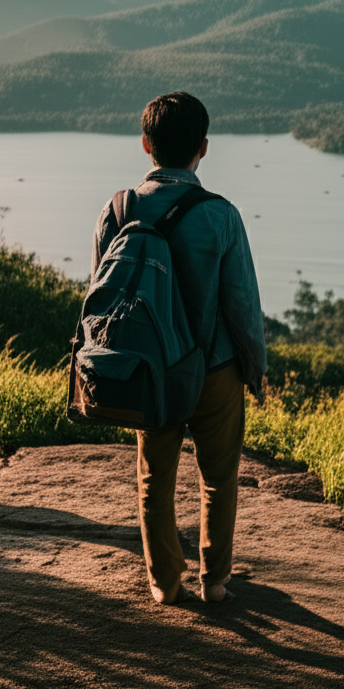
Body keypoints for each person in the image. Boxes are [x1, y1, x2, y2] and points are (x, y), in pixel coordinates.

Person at [91, 92, 267, 604]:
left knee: (154, 480)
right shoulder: (221, 215)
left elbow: (103, 295)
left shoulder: (118, 208)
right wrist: (253, 370)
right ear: (204, 149)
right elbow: (241, 306)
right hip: (213, 370)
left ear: (146, 143)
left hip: (149, 367)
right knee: (218, 479)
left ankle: (165, 582)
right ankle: (215, 581)